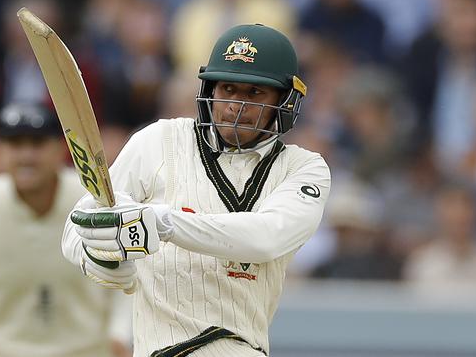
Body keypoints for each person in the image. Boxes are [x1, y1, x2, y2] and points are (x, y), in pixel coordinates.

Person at [63, 24, 331, 356]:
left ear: (285, 100)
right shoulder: (159, 140)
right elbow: (77, 226)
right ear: (210, 89)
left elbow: (267, 238)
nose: (236, 104)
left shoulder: (304, 168)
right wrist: (101, 258)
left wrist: (162, 222)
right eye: (228, 88)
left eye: (255, 93)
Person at [0, 103, 132, 357]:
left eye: (37, 143)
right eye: (15, 144)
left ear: (61, 148)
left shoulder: (97, 204)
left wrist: (120, 334)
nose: (26, 156)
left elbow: (130, 273)